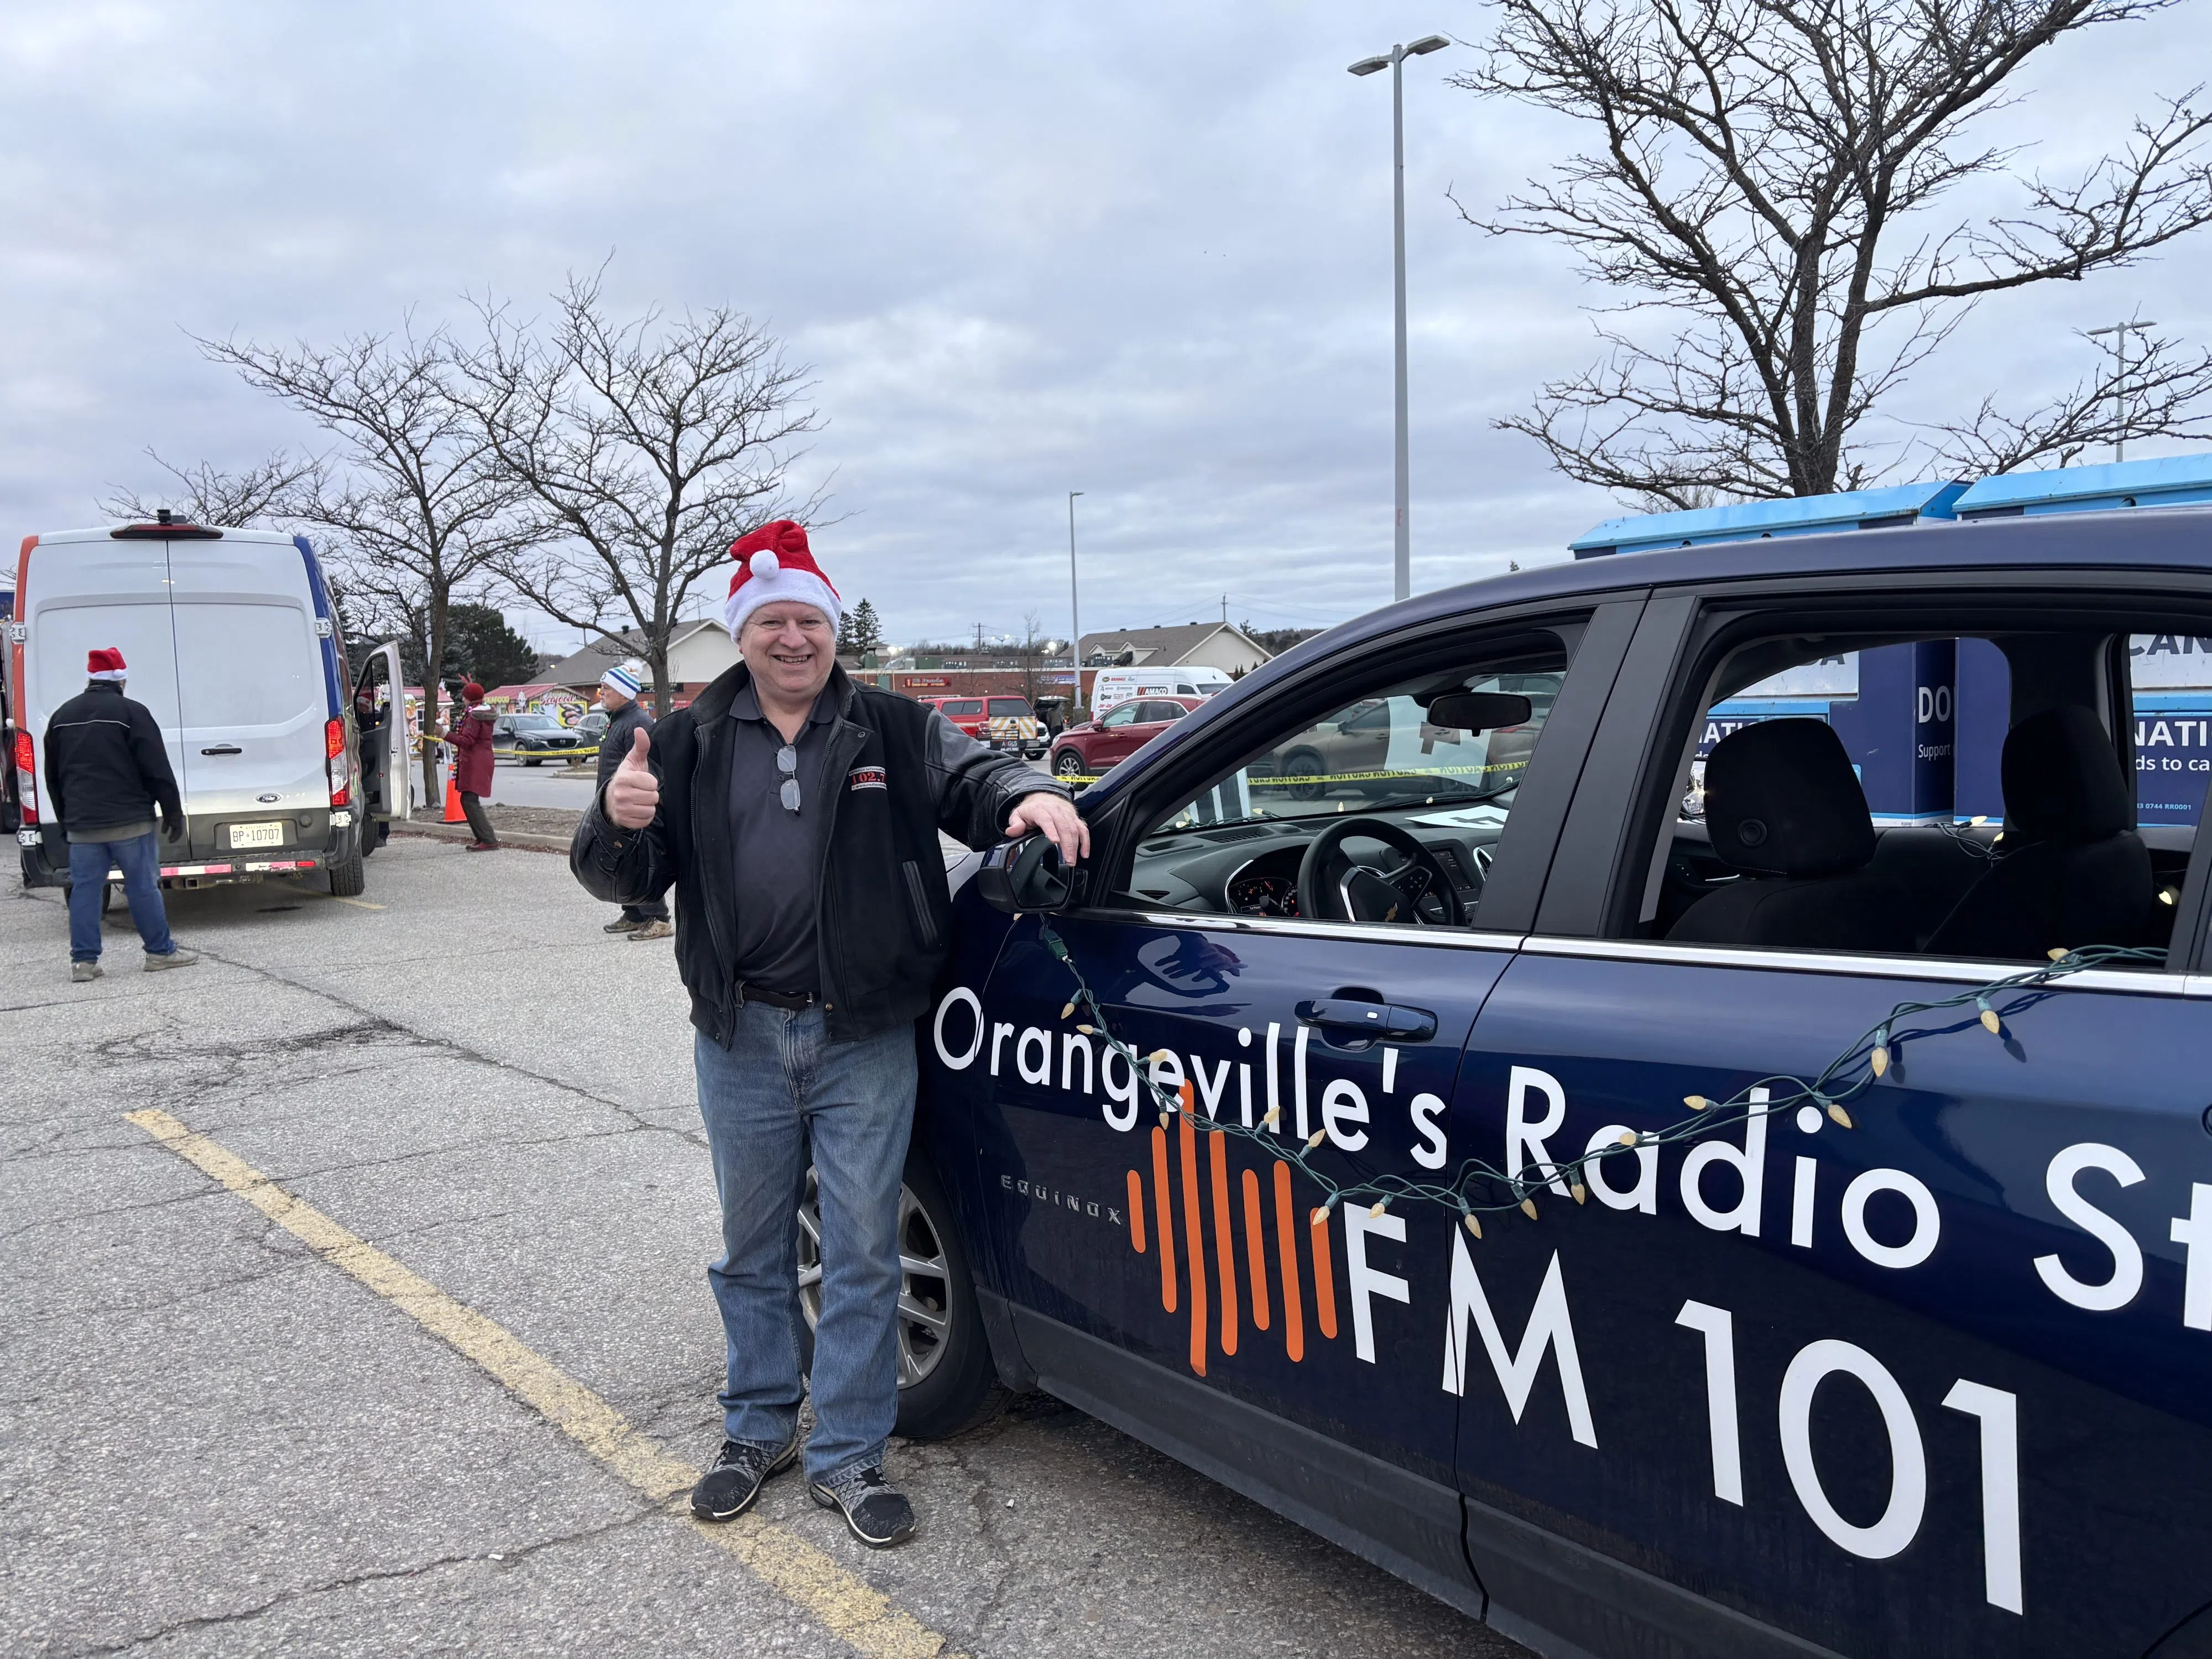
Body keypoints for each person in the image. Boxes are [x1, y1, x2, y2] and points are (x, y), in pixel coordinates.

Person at [572, 520, 1086, 1549]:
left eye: (809, 620)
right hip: (742, 1035)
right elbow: (624, 878)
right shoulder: (682, 742)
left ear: (833, 630)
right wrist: (616, 825)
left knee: (860, 1251)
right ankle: (757, 1428)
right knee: (753, 1249)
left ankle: (850, 1450)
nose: (793, 638)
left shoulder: (893, 728)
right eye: (772, 622)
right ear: (741, 635)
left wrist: (1029, 792)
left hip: (864, 1036)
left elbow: (976, 779)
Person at [44, 648, 197, 982]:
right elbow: (156, 768)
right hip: (131, 822)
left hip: (83, 826)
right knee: (142, 887)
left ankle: (83, 963)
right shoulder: (132, 713)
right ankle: (160, 953)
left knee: (85, 892)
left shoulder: (61, 717)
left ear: (90, 679)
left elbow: (53, 777)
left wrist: (66, 820)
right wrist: (172, 812)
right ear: (121, 681)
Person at [592, 660, 670, 941]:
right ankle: (635, 913)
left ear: (623, 692)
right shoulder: (617, 719)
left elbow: (650, 768)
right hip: (615, 808)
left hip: (634, 808)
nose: (601, 692)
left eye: (606, 688)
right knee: (623, 862)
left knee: (639, 862)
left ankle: (658, 918)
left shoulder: (638, 723)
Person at [448, 682, 499, 851]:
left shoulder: (474, 716)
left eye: (465, 697)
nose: (463, 699)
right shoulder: (481, 713)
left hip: (475, 762)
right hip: (480, 760)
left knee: (470, 800)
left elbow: (467, 741)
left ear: (470, 698)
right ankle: (482, 837)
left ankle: (488, 839)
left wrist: (445, 735)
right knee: (468, 800)